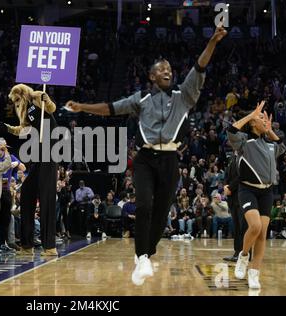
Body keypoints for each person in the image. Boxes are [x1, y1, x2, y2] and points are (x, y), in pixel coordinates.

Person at [66, 24, 227, 285]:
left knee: (161, 214)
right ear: (152, 76)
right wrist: (81, 106)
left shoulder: (184, 95)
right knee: (144, 205)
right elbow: (110, 108)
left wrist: (213, 42)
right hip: (144, 160)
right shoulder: (140, 99)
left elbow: (199, 67)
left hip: (170, 160)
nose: (167, 71)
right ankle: (141, 257)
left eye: (170, 69)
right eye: (162, 69)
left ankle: (146, 254)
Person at [228, 101, 286, 289]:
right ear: (253, 123)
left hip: (267, 192)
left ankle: (254, 273)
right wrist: (252, 115)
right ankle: (244, 256)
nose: (265, 121)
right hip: (248, 190)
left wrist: (269, 130)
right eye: (261, 119)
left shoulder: (269, 144)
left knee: (262, 234)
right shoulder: (245, 142)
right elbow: (232, 129)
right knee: (255, 226)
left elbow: (281, 145)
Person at [6, 84, 58, 256]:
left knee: (47, 196)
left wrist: (47, 100)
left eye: (17, 99)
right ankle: (27, 245)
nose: (16, 103)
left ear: (23, 94)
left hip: (51, 150)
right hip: (38, 152)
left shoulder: (36, 97)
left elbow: (51, 108)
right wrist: (12, 129)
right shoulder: (24, 110)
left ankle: (50, 246)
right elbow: (25, 128)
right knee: (27, 191)